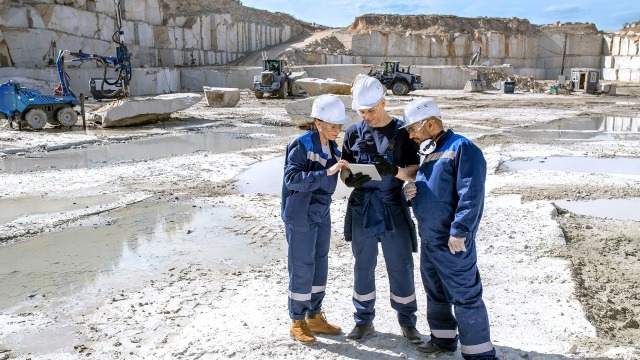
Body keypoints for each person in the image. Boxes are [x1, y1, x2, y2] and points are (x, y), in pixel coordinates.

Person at [401, 98, 498, 359]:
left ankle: (480, 354)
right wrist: (412, 193)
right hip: (430, 240)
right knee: (436, 293)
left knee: (465, 296)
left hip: (452, 241)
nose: (411, 135)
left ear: (430, 124)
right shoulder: (430, 151)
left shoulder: (463, 148)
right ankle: (442, 341)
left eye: (413, 129)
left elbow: (471, 194)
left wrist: (461, 231)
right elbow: (435, 191)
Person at [340, 76, 423, 343]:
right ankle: (363, 321)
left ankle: (407, 323)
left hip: (392, 206)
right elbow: (344, 169)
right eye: (361, 111)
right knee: (363, 267)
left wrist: (395, 171)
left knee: (400, 266)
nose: (366, 116)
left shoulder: (402, 133)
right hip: (362, 208)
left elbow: (415, 171)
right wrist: (348, 180)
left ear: (383, 102)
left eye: (371, 110)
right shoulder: (353, 133)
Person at [281, 94, 350, 344]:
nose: (338, 129)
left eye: (340, 125)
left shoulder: (331, 145)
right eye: (333, 125)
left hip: (321, 211)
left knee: (320, 263)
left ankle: (314, 316)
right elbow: (292, 179)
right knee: (302, 266)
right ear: (318, 122)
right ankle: (297, 321)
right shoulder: (301, 145)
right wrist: (326, 172)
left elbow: (335, 174)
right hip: (300, 213)